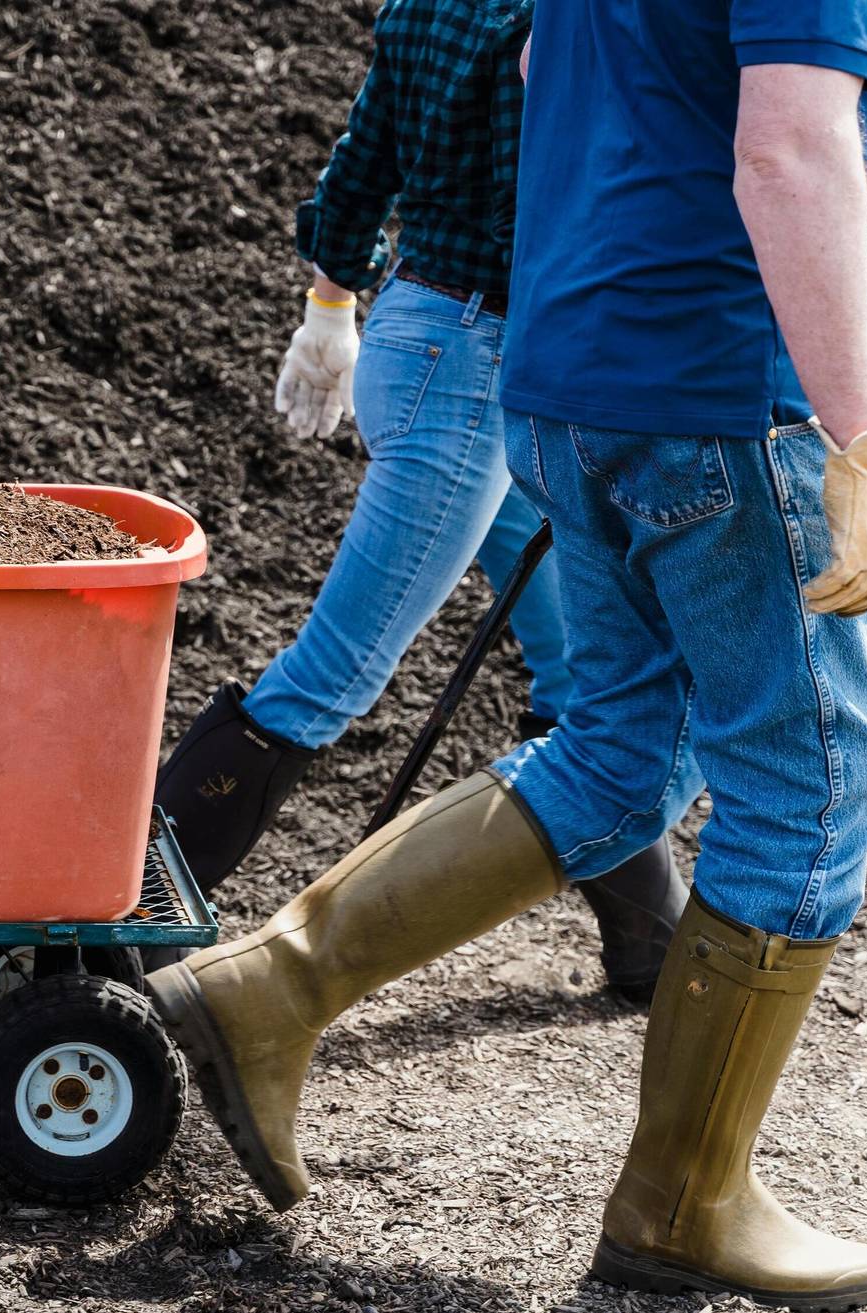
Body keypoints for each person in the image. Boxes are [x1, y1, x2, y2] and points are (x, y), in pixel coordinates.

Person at [148, 0, 867, 1307]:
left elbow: (538, 65)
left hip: (573, 373)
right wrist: (860, 438)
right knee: (812, 798)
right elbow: (790, 149)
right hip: (726, 392)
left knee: (617, 755)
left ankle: (266, 989)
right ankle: (684, 1205)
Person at [150, 0, 684, 1004]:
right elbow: (561, 201)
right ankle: (114, 935)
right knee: (336, 669)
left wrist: (328, 310)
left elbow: (362, 161)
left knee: (583, 673)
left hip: (421, 333)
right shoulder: (571, 20)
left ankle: (651, 944)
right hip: (479, 367)